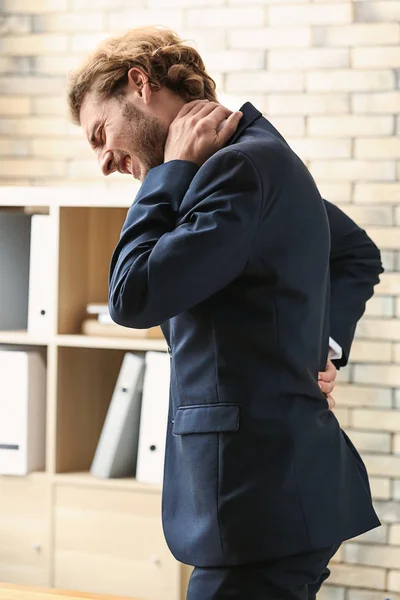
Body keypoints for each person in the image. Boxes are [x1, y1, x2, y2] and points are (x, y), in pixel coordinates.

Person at [68, 27, 383, 600]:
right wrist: (325, 347)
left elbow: (132, 296)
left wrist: (169, 174)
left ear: (139, 84)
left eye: (100, 134)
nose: (105, 162)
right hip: (275, 498)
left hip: (258, 503)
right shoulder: (254, 160)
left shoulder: (234, 169)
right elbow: (355, 249)